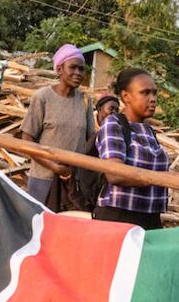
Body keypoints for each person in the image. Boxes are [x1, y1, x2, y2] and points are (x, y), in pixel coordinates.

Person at [93, 68, 167, 230]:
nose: (153, 99)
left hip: (150, 218)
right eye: (145, 93)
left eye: (154, 93)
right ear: (126, 96)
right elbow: (115, 174)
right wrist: (169, 178)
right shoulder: (114, 124)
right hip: (120, 217)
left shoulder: (149, 132)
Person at [22, 44, 94, 207]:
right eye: (73, 67)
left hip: (73, 181)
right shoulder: (43, 97)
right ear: (60, 69)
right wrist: (54, 167)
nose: (78, 73)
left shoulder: (85, 101)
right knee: (40, 225)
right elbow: (27, 139)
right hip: (43, 178)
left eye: (81, 69)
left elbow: (90, 140)